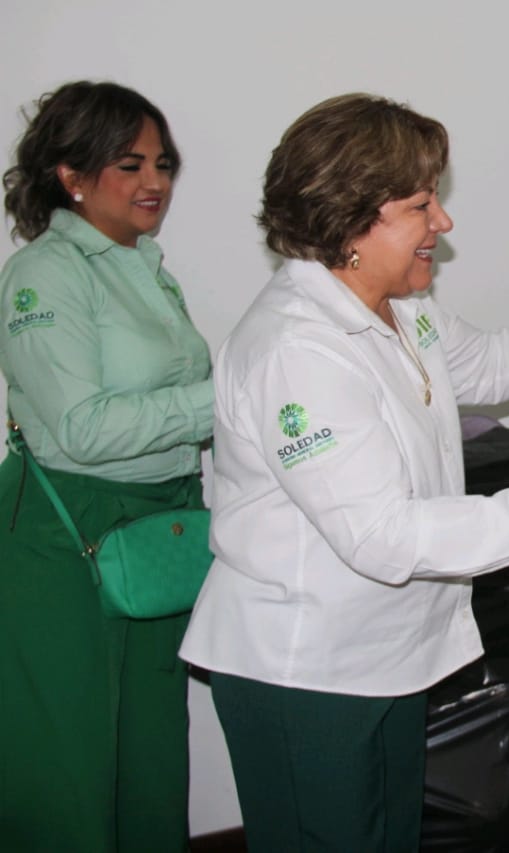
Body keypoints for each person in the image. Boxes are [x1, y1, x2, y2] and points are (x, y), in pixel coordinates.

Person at [177, 93, 509, 852]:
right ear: (350, 221)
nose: (443, 221)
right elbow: (384, 534)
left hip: (383, 653)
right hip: (306, 670)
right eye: (420, 204)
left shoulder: (399, 306)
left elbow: (492, 362)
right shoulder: (297, 350)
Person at [0, 82, 208, 852]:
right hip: (68, 537)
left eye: (162, 163)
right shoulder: (43, 275)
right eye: (130, 164)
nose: (154, 182)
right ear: (72, 175)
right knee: (69, 765)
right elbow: (82, 429)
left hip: (159, 527)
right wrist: (226, 402)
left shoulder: (146, 267)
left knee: (152, 754)